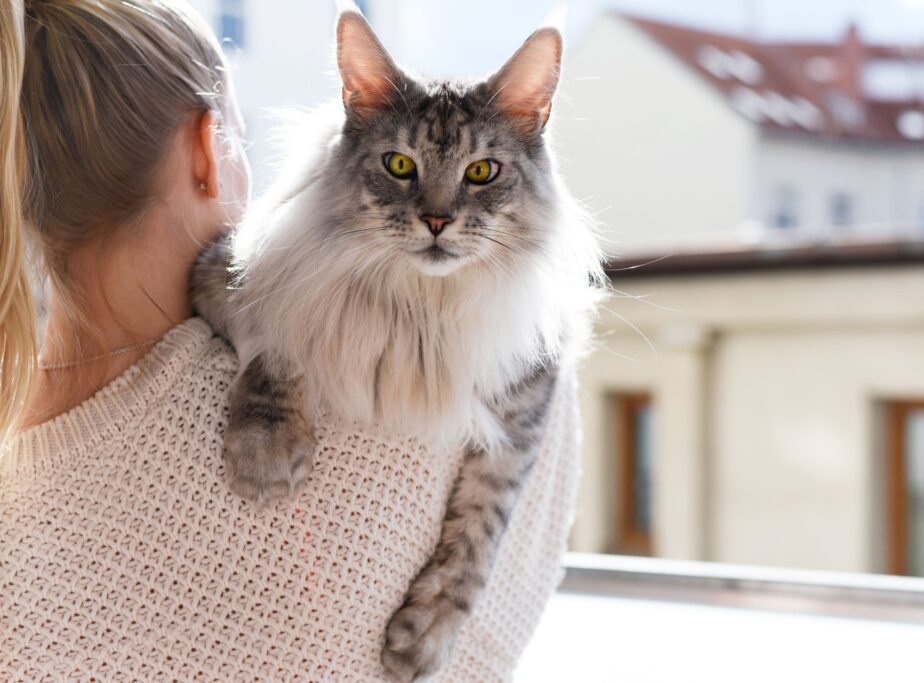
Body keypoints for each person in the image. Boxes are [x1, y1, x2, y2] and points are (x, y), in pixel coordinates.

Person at [0, 1, 581, 680]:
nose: (438, 213)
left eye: (476, 175)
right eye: (240, 142)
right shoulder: (419, 418)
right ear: (206, 151)